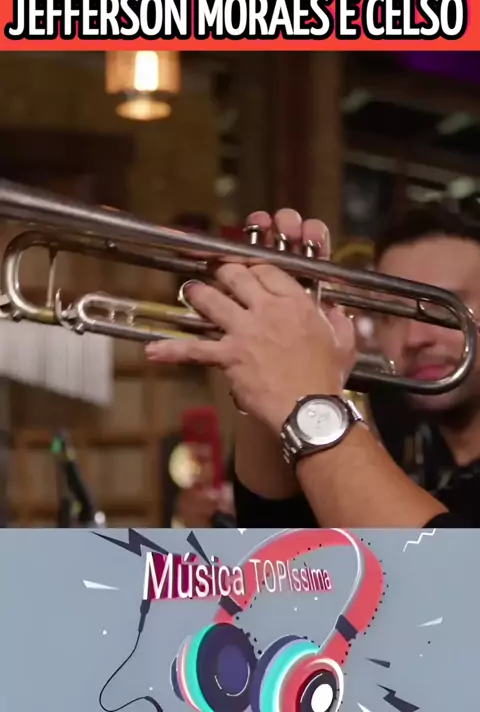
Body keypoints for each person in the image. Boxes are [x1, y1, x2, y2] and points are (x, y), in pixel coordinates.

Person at [145, 206, 478, 528]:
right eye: (393, 314)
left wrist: (310, 401)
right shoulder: (391, 413)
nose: (415, 338)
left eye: (442, 309)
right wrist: (272, 367)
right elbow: (279, 539)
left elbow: (443, 563)